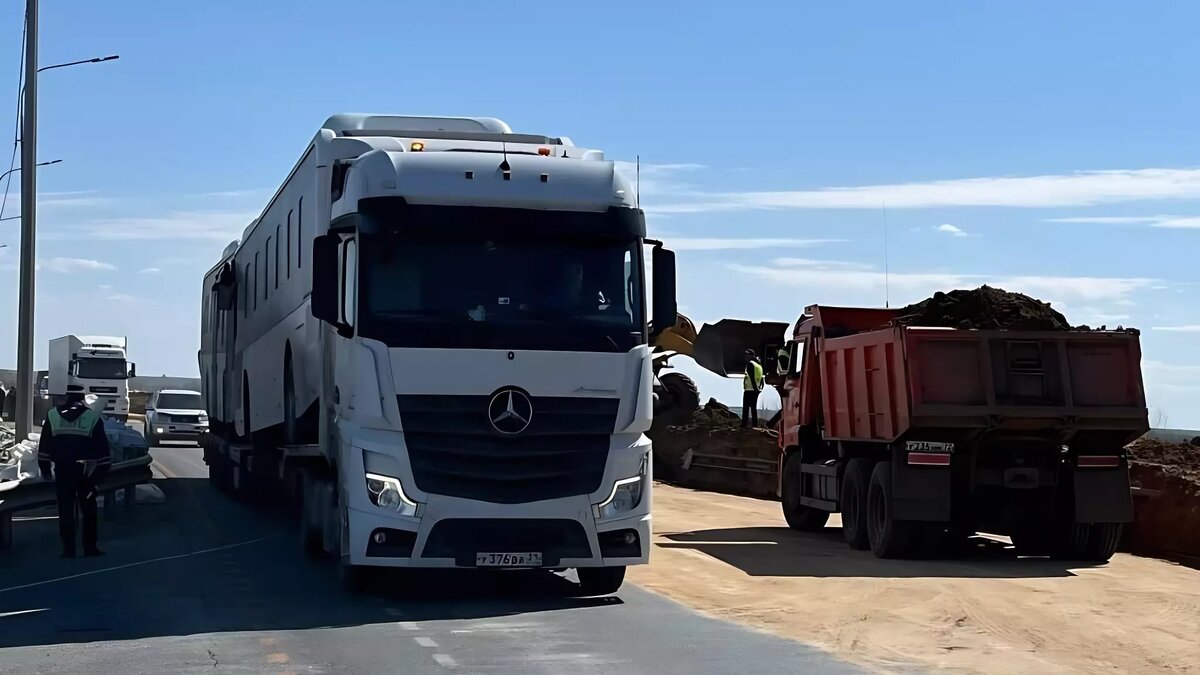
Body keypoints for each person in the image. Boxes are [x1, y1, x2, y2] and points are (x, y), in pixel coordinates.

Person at [37, 393, 111, 558]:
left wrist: (46, 469)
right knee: (89, 511)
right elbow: (102, 449)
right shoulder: (92, 417)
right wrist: (101, 473)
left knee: (66, 510)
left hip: (63, 470)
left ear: (66, 397)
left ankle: (68, 550)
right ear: (81, 398)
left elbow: (44, 446)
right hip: (86, 472)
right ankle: (90, 548)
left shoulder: (53, 415)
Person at [742, 349, 765, 429]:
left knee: (746, 408)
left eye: (746, 356)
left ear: (750, 356)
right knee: (753, 408)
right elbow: (762, 379)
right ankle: (755, 425)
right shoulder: (759, 366)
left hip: (749, 390)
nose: (745, 358)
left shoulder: (750, 365)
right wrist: (759, 389)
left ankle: (744, 425)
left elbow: (752, 378)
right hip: (756, 390)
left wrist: (755, 389)